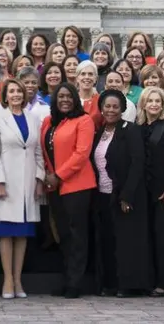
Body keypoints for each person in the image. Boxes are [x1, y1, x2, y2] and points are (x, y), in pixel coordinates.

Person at [0, 77, 44, 299]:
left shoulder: (32, 117)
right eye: (12, 92)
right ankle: (7, 280)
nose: (16, 95)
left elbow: (38, 151)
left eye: (19, 92)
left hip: (28, 183)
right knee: (6, 232)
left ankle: (18, 279)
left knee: (22, 234)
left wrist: (39, 179)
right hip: (7, 182)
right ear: (5, 95)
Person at [90, 89, 150, 297]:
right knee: (108, 241)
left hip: (124, 195)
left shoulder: (130, 130)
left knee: (127, 242)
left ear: (123, 109)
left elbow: (137, 163)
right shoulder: (99, 132)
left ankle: (128, 284)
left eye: (115, 106)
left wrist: (127, 195)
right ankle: (110, 283)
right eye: (107, 106)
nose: (111, 110)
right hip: (103, 194)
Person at [41, 82, 96, 298]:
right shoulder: (48, 122)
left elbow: (81, 154)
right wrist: (48, 176)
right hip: (55, 187)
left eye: (68, 96)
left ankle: (76, 283)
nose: (64, 100)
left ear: (75, 99)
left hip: (77, 186)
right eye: (60, 96)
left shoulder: (84, 120)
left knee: (77, 235)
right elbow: (44, 152)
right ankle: (67, 279)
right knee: (62, 235)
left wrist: (58, 175)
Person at [137, 86, 164, 297]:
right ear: (143, 103)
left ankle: (163, 283)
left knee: (162, 237)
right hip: (142, 191)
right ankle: (147, 280)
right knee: (145, 238)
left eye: (158, 101)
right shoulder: (139, 126)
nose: (154, 104)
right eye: (150, 100)